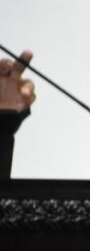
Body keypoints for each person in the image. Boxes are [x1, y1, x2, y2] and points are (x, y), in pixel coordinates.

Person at [0, 49, 36, 178]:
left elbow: (27, 55)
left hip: (12, 113)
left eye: (8, 66)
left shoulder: (18, 81)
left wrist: (25, 90)